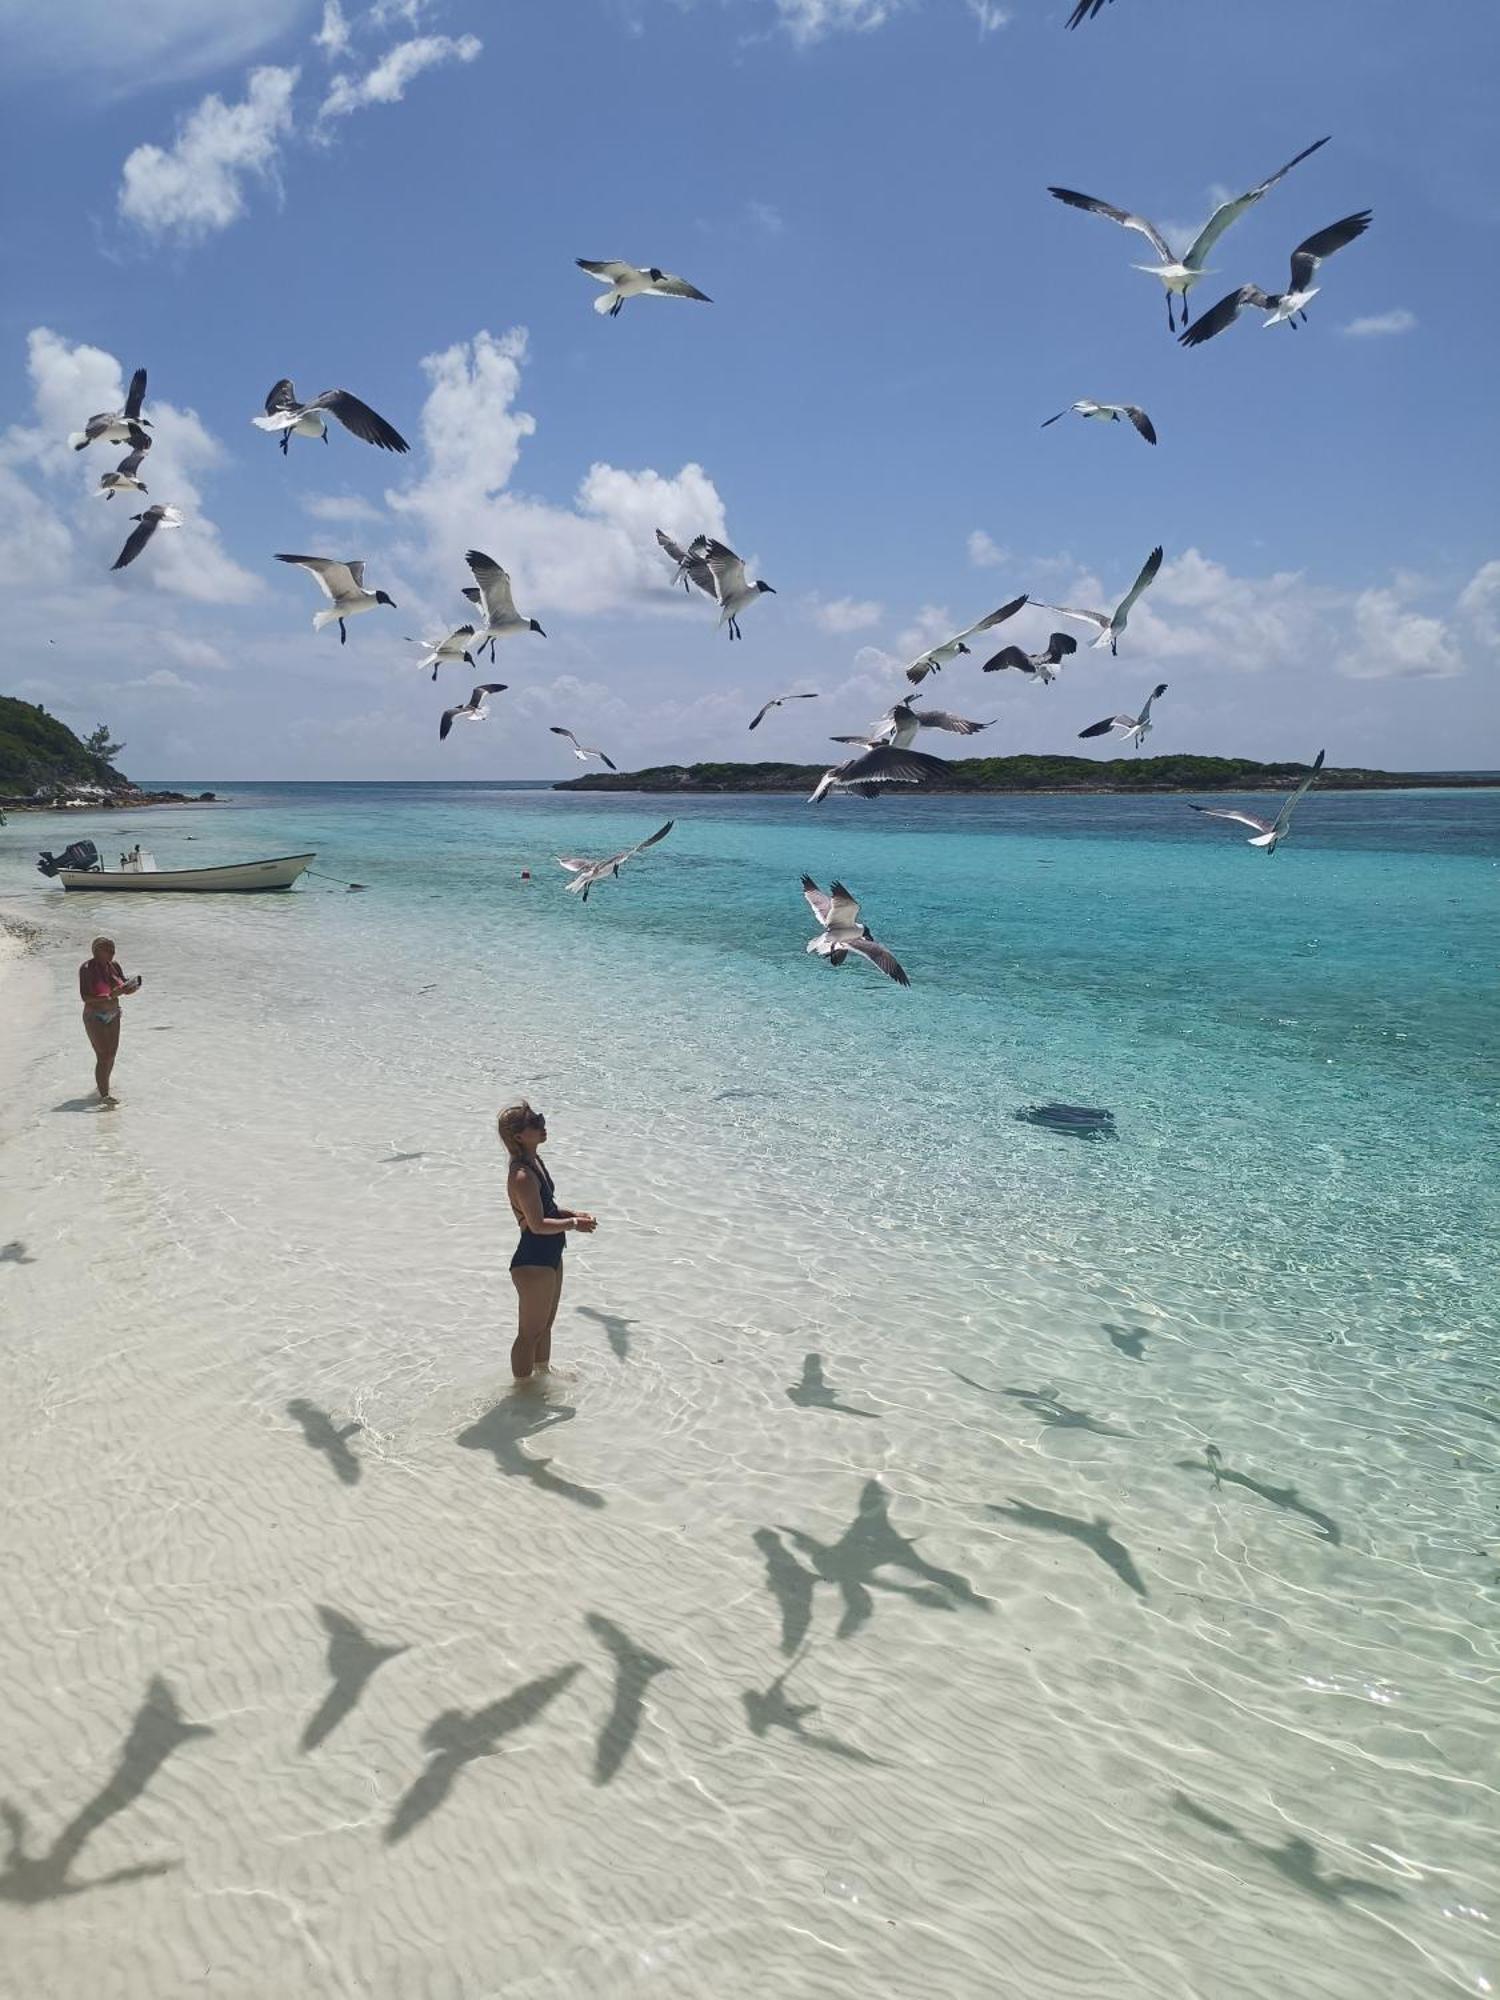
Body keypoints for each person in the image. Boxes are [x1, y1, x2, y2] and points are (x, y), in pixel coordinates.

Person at [497, 1101, 596, 1380]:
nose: (543, 1126)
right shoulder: (521, 1176)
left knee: (546, 1325)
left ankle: (543, 1373)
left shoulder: (534, 1162)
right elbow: (538, 1225)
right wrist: (574, 1224)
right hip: (532, 1262)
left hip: (550, 1255)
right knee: (529, 1334)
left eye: (540, 1119)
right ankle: (522, 1391)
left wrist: (573, 1214)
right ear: (518, 1136)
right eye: (535, 1123)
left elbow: (545, 1211)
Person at [78, 936, 141, 1101]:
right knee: (103, 1055)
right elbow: (85, 997)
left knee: (111, 1054)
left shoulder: (114, 966)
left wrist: (130, 988)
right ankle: (104, 1095)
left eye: (113, 950)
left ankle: (103, 1085)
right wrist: (109, 996)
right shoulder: (86, 968)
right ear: (97, 950)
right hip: (94, 1016)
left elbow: (123, 983)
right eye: (109, 950)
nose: (113, 953)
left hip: (114, 1014)